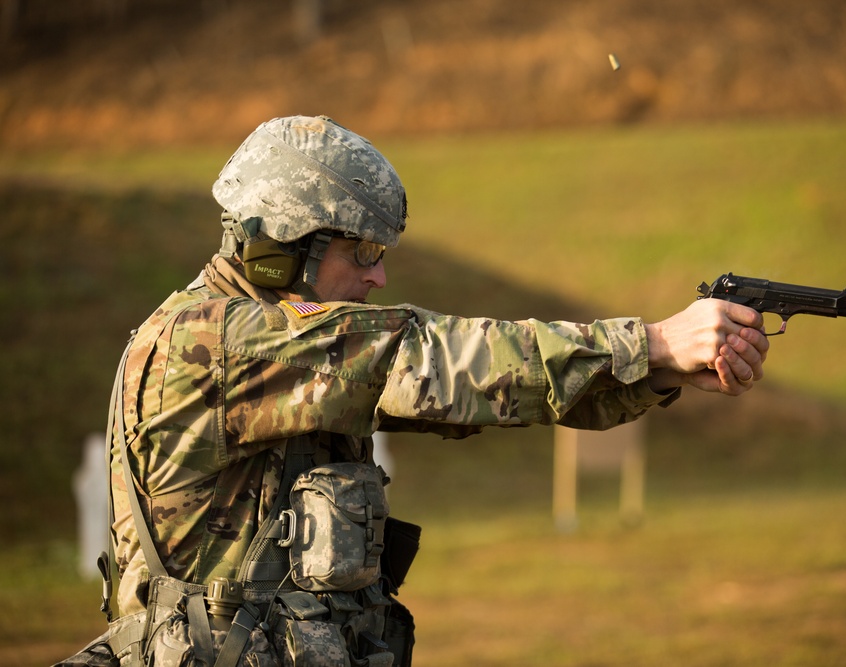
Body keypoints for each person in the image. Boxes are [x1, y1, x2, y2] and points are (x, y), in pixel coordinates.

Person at [60, 115, 768, 667]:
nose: (376, 277)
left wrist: (663, 370)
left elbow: (474, 392)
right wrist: (648, 343)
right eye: (360, 252)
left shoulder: (276, 348)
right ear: (283, 247)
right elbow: (430, 357)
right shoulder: (211, 341)